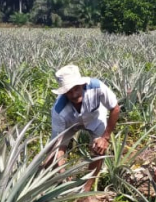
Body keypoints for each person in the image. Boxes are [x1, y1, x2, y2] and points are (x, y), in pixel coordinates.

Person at [50, 64, 120, 194]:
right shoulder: (58, 110)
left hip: (95, 120)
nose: (74, 94)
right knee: (54, 153)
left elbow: (115, 108)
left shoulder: (97, 87)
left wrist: (105, 137)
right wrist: (62, 172)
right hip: (70, 124)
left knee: (99, 150)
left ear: (82, 84)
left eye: (76, 89)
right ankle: (65, 184)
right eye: (68, 92)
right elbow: (57, 145)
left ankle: (86, 188)